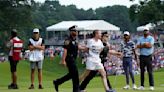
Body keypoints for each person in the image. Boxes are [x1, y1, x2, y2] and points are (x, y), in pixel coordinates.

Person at [53, 25, 86, 92]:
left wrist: (85, 48)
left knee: (71, 74)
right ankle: (76, 90)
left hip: (73, 59)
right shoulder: (68, 40)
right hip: (69, 58)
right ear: (71, 32)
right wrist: (63, 60)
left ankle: (57, 82)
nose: (76, 32)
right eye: (74, 31)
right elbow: (65, 50)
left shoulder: (74, 40)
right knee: (75, 74)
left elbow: (77, 47)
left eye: (76, 31)